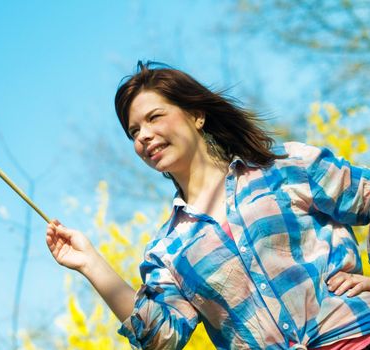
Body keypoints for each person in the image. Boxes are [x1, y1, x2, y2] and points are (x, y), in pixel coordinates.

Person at [46, 61, 370, 349]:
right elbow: (160, 338)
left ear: (196, 115)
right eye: (134, 131)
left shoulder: (286, 168)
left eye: (154, 117)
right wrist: (90, 263)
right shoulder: (169, 250)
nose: (143, 136)